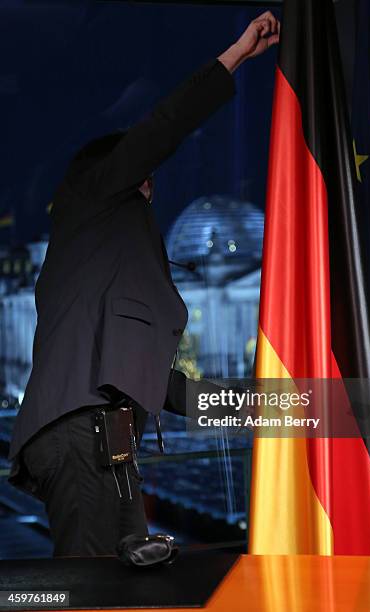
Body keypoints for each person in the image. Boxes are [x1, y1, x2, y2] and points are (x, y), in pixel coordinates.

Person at [7, 11, 280, 557]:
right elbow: (162, 128)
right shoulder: (96, 190)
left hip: (102, 439)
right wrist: (237, 57)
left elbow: (156, 380)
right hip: (81, 433)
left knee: (126, 579)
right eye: (142, 171)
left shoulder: (97, 262)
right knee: (89, 589)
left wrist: (264, 407)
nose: (152, 181)